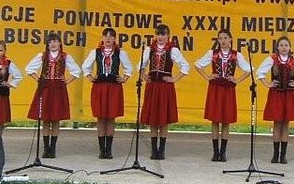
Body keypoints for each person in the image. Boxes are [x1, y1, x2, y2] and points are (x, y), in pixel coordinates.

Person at [195, 29, 250, 162]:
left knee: (226, 121)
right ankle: (215, 151)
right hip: (215, 88)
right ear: (218, 40)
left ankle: (223, 151)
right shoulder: (212, 53)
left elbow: (249, 70)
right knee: (215, 120)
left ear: (230, 39)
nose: (223, 40)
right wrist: (208, 76)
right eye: (220, 38)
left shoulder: (236, 55)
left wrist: (237, 79)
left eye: (225, 38)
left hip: (228, 89)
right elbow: (198, 65)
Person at [25, 33, 81, 158]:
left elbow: (76, 71)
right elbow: (29, 69)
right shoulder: (42, 56)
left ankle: (53, 148)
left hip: (58, 87)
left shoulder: (65, 57)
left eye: (55, 41)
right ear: (47, 44)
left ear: (60, 43)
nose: (53, 44)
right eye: (50, 42)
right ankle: (46, 148)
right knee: (45, 118)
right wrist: (38, 79)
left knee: (56, 118)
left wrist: (67, 81)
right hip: (45, 88)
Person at [256, 36, 294, 164]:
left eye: (286, 45)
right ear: (277, 47)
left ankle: (283, 155)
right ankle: (275, 154)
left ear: (290, 47)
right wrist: (268, 83)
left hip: (289, 94)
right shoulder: (272, 59)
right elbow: (260, 73)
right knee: (277, 123)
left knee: (286, 124)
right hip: (276, 94)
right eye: (281, 45)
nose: (284, 47)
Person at [140, 24, 189, 160]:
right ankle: (154, 149)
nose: (160, 37)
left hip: (165, 87)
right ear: (155, 35)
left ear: (168, 36)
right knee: (153, 119)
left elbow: (185, 66)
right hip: (153, 86)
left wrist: (174, 79)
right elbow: (141, 65)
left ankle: (161, 150)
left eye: (163, 34)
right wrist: (143, 74)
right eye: (158, 34)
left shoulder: (172, 50)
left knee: (163, 118)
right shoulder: (149, 49)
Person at [82, 28, 133, 159]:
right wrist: (89, 76)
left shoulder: (120, 52)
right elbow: (85, 66)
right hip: (99, 86)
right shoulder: (96, 52)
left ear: (115, 39)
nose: (108, 39)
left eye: (111, 37)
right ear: (102, 38)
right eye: (106, 36)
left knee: (111, 117)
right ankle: (101, 149)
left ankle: (108, 149)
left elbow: (129, 67)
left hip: (113, 87)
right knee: (100, 117)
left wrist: (124, 78)